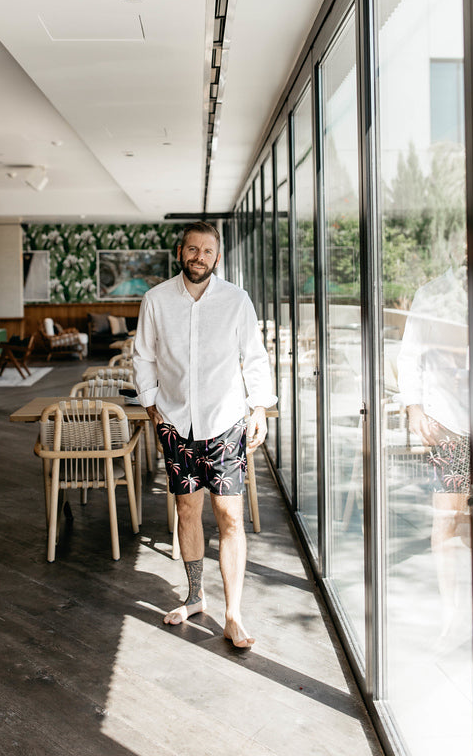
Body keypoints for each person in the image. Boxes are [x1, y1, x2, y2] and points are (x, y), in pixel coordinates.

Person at [133, 220, 276, 648]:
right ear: (181, 253)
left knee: (231, 516)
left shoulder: (237, 300)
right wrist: (152, 405)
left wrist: (260, 408)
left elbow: (254, 356)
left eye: (207, 251)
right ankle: (196, 597)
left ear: (217, 257)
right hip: (177, 424)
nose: (199, 256)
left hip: (226, 423)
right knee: (187, 511)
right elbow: (143, 356)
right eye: (192, 249)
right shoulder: (156, 300)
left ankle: (233, 613)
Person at [396, 263, 470, 646]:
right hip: (449, 425)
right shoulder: (433, 293)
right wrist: (414, 408)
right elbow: (409, 356)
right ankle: (450, 612)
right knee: (446, 521)